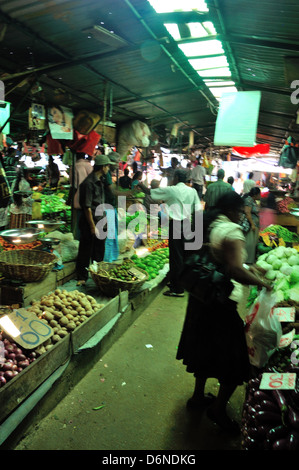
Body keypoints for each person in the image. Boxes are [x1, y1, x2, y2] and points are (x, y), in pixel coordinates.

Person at [176, 191, 272, 434]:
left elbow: (223, 258)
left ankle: (198, 397)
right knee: (235, 359)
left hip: (202, 297)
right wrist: (264, 284)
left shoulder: (209, 223)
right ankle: (218, 409)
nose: (242, 215)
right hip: (221, 301)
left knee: (202, 347)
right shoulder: (231, 231)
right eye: (241, 211)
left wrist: (253, 268)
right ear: (233, 210)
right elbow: (235, 269)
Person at [150, 169, 201, 297]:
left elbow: (152, 193)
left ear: (177, 177)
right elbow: (198, 210)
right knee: (184, 255)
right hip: (189, 224)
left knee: (176, 256)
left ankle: (177, 289)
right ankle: (180, 284)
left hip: (177, 225)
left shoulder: (172, 189)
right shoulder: (192, 191)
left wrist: (139, 185)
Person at [75, 154, 116, 286]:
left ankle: (97, 275)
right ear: (103, 167)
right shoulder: (88, 183)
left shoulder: (101, 181)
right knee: (85, 251)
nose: (109, 168)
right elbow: (87, 207)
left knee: (98, 251)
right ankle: (81, 277)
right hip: (90, 222)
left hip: (100, 220)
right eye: (108, 166)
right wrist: (92, 226)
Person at [68, 152, 93, 240]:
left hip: (79, 198)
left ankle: (78, 240)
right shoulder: (89, 165)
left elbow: (73, 186)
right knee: (88, 220)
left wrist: (69, 199)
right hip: (91, 198)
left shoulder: (74, 167)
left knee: (79, 221)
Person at [243, 187, 261, 264]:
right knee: (249, 243)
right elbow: (247, 213)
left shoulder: (253, 200)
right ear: (255, 194)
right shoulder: (249, 200)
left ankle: (251, 260)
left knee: (253, 243)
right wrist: (252, 224)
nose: (260, 196)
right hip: (251, 225)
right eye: (259, 194)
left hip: (255, 224)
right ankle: (247, 260)